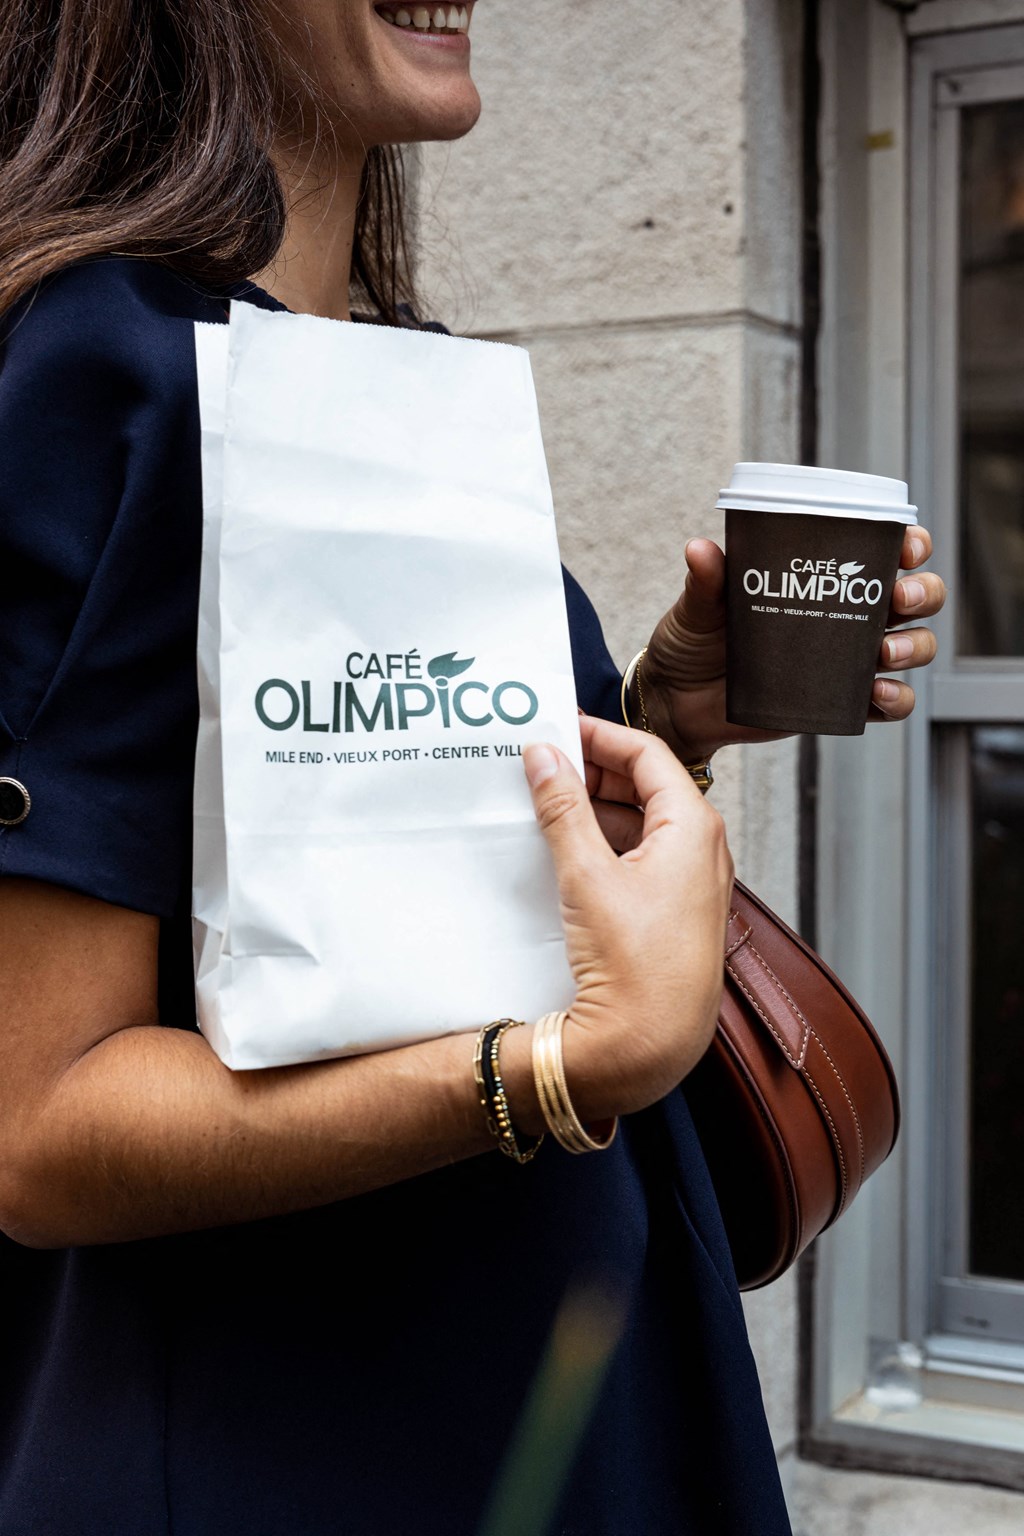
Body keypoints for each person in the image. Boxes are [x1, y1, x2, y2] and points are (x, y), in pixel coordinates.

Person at [0, 3, 946, 1533]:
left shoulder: (398, 377)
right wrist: (559, 1074)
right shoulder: (99, 376)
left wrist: (666, 716)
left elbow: (416, 905)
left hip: (566, 1379)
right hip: (308, 1442)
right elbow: (38, 1129)